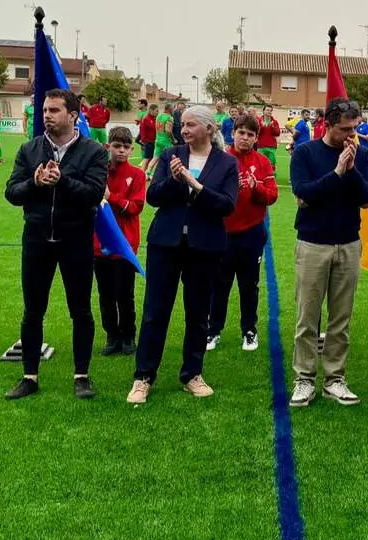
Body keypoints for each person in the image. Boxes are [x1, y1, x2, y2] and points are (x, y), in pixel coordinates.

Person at [127, 106, 239, 405]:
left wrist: (196, 186)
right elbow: (153, 197)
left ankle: (192, 374)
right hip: (165, 243)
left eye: (191, 125)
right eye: (183, 125)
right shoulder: (170, 155)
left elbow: (227, 205)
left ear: (209, 129)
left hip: (205, 247)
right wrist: (176, 180)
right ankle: (143, 376)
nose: (184, 130)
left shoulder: (227, 163)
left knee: (198, 313)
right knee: (155, 312)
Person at [4, 88, 109, 400]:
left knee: (80, 310)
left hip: (76, 241)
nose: (47, 115)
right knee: (33, 311)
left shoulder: (94, 152)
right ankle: (29, 376)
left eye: (54, 110)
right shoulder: (29, 149)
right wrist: (34, 183)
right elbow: (12, 193)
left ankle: (82, 376)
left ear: (73, 115)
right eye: (45, 110)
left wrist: (62, 180)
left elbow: (93, 195)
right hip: (37, 240)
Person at [288, 97, 368, 408]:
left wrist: (350, 171)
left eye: (354, 129)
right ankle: (304, 379)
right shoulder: (305, 153)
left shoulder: (361, 155)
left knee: (341, 318)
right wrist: (337, 173)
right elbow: (304, 194)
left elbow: (367, 198)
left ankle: (334, 379)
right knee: (307, 316)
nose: (351, 135)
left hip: (349, 243)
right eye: (344, 129)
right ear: (327, 125)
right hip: (313, 243)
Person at [207, 115, 278, 352]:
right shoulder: (220, 159)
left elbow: (272, 195)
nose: (245, 138)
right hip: (223, 233)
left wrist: (257, 188)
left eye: (250, 134)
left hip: (252, 233)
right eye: (241, 133)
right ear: (233, 133)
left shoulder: (262, 162)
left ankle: (249, 330)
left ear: (256, 138)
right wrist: (230, 190)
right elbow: (208, 195)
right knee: (220, 285)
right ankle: (213, 330)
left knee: (249, 285)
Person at [94, 126, 146, 356]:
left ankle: (128, 336)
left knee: (124, 295)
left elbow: (135, 207)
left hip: (125, 245)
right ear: (108, 147)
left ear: (132, 149)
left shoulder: (137, 175)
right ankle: (111, 336)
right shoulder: (99, 172)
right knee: (105, 295)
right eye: (117, 146)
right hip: (99, 245)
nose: (121, 151)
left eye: (126, 147)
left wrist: (111, 197)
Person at [257, 105, 282, 173]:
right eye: (267, 110)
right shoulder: (258, 121)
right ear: (263, 111)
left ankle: (272, 176)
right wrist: (262, 126)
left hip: (271, 146)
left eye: (271, 110)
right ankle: (261, 177)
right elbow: (256, 133)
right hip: (261, 146)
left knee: (272, 163)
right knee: (261, 163)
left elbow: (277, 133)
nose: (269, 112)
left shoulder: (274, 122)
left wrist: (272, 126)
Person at [153, 104, 176, 168]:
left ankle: (148, 172)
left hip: (158, 140)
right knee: (169, 159)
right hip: (166, 141)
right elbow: (168, 131)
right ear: (170, 109)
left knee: (155, 158)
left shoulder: (159, 115)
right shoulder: (169, 117)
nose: (173, 110)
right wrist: (173, 139)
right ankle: (167, 172)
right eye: (173, 109)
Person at [138, 103, 159, 169]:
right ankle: (142, 173)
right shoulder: (146, 119)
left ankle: (147, 173)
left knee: (151, 159)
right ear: (151, 110)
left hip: (154, 142)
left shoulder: (155, 119)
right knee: (146, 159)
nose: (157, 112)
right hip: (148, 142)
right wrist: (143, 141)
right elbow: (142, 130)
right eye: (156, 111)